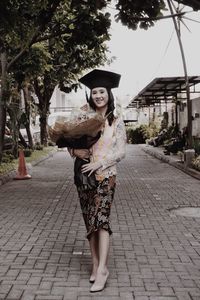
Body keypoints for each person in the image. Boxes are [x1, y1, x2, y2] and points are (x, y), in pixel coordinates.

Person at [69, 69, 126, 293]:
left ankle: (102, 269)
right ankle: (94, 264)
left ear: (108, 94)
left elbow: (121, 152)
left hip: (106, 176)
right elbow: (69, 141)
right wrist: (74, 150)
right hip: (84, 175)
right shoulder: (84, 116)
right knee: (89, 223)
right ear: (90, 95)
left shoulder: (116, 119)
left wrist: (99, 164)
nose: (98, 96)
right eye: (94, 92)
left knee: (101, 220)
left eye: (102, 91)